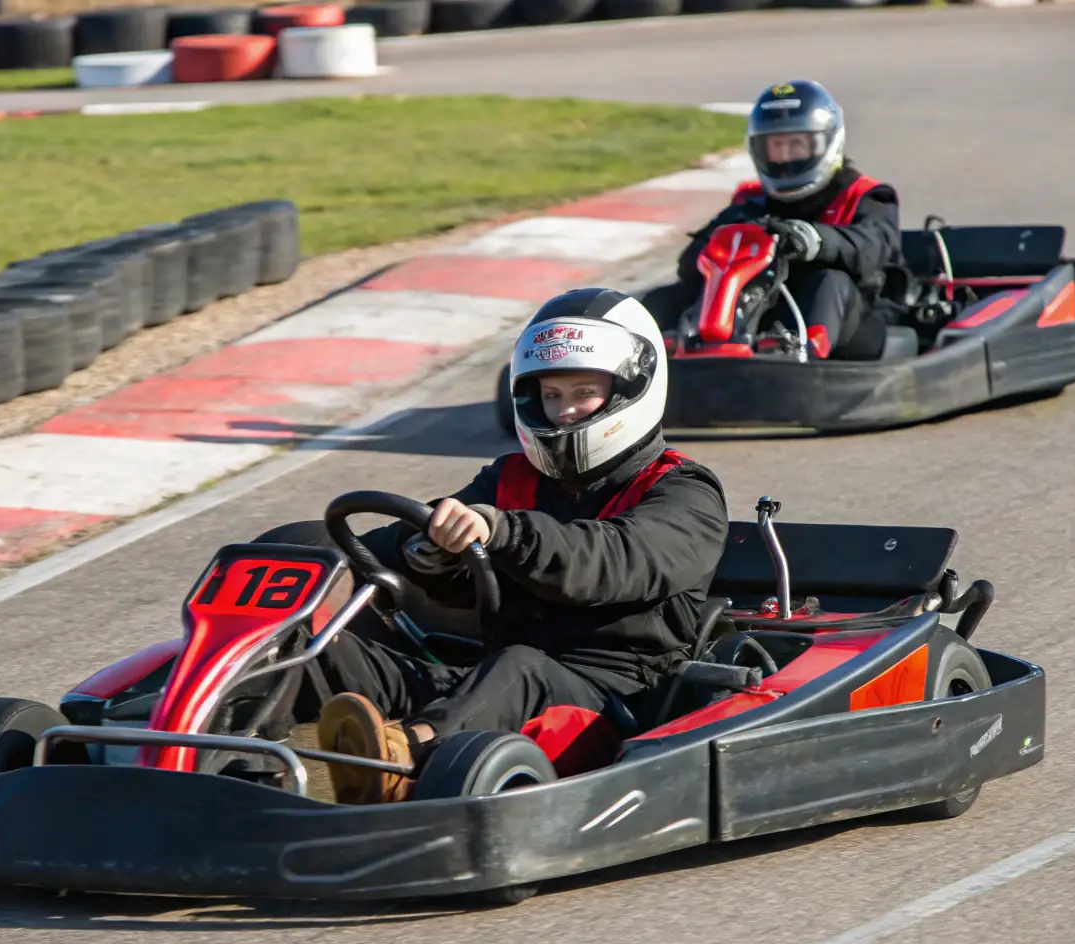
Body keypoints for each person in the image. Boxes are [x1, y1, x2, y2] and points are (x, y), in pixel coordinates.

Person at [268, 287, 729, 804]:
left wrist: (505, 532)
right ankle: (207, 739)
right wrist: (429, 552)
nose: (565, 412)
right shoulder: (511, 478)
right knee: (308, 646)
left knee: (518, 667)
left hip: (611, 698)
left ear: (632, 388)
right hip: (482, 676)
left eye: (583, 392)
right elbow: (432, 547)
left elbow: (612, 561)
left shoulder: (684, 491)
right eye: (552, 395)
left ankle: (398, 760)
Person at [644, 80, 901, 361]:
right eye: (776, 146)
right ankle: (652, 358)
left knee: (830, 281)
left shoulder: (866, 196)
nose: (786, 157)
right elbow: (690, 266)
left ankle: (801, 361)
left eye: (798, 145)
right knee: (665, 297)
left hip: (855, 324)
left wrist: (814, 241)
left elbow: (870, 247)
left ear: (828, 142)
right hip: (767, 321)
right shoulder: (751, 201)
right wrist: (721, 245)